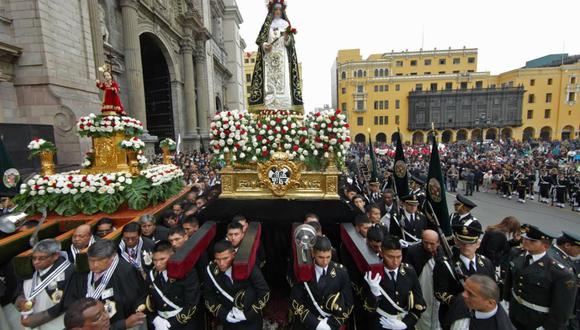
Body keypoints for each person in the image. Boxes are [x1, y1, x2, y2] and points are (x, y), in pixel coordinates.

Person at [504, 224, 576, 329]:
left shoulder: (560, 273)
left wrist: (549, 327)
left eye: (533, 241)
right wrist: (506, 297)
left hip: (537, 319)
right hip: (515, 310)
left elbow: (562, 308)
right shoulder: (516, 253)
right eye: (526, 238)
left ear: (546, 246)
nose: (526, 241)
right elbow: (510, 277)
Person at [64, 239, 147, 330]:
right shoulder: (83, 270)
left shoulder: (126, 271)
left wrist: (121, 325)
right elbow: (73, 299)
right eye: (91, 260)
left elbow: (132, 304)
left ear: (113, 256)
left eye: (100, 260)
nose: (94, 265)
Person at [433, 219, 495, 329]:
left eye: (470, 242)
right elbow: (439, 292)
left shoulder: (486, 263)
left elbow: (492, 290)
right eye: (462, 242)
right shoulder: (445, 264)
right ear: (457, 241)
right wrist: (465, 302)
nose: (466, 246)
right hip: (454, 315)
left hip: (480, 316)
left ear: (478, 244)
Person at [203, 240, 270, 329]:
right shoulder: (211, 270)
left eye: (225, 258)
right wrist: (223, 314)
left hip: (251, 319)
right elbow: (208, 295)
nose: (221, 263)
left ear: (233, 254)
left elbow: (264, 292)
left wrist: (248, 314)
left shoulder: (247, 266)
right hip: (229, 320)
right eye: (218, 259)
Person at [249, 0, 303, 111]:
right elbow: (261, 40)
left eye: (279, 9)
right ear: (272, 11)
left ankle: (285, 105)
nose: (278, 11)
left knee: (283, 81)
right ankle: (270, 102)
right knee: (270, 80)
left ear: (282, 11)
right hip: (269, 57)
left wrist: (287, 38)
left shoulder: (286, 24)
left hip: (282, 56)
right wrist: (265, 45)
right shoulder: (267, 25)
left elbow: (290, 44)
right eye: (275, 9)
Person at [289, 236, 353, 330]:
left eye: (328, 257)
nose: (325, 261)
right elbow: (295, 301)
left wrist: (331, 325)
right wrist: (316, 324)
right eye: (321, 257)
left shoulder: (341, 272)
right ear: (313, 253)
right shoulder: (304, 270)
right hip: (307, 324)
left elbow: (348, 303)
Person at [363, 237, 426, 330]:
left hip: (403, 323)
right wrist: (374, 294)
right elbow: (367, 310)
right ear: (382, 253)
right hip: (381, 324)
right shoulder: (372, 273)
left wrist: (405, 324)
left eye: (399, 257)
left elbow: (419, 304)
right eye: (390, 257)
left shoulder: (409, 271)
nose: (395, 261)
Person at [15, 239, 74, 329]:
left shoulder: (69, 272)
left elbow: (67, 303)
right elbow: (19, 290)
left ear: (55, 256)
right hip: (33, 318)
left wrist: (34, 320)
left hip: (57, 324)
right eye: (34, 258)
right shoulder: (30, 269)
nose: (36, 262)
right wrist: (21, 301)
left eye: (42, 258)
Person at [145, 241, 201, 329]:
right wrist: (155, 319)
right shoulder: (151, 275)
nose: (158, 264)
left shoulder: (187, 273)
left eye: (162, 259)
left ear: (173, 255)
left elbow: (192, 304)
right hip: (159, 324)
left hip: (183, 324)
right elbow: (148, 301)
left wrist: (170, 324)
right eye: (155, 260)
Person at [447, 275, 515, 330]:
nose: (463, 295)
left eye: (470, 294)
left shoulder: (501, 327)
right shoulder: (464, 300)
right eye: (465, 290)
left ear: (490, 303)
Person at [410, 230, 443, 330]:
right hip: (422, 290)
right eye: (426, 243)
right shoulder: (413, 251)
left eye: (432, 244)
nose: (428, 246)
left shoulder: (442, 251)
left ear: (438, 243)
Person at [548, 231, 580, 329]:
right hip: (555, 315)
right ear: (567, 245)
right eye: (579, 248)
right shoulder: (557, 260)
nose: (579, 252)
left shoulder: (558, 254)